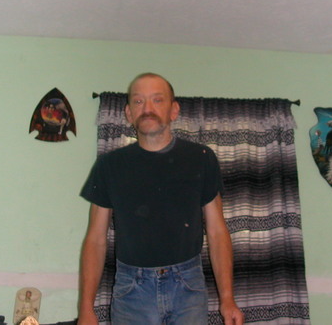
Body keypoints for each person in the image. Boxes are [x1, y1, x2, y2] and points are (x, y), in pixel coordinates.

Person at [78, 73, 244, 325]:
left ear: (173, 110)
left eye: (157, 100)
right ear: (128, 113)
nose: (147, 109)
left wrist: (228, 299)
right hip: (131, 291)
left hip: (188, 288)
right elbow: (96, 238)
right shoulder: (110, 165)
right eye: (138, 101)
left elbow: (217, 231)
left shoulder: (201, 158)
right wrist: (86, 308)